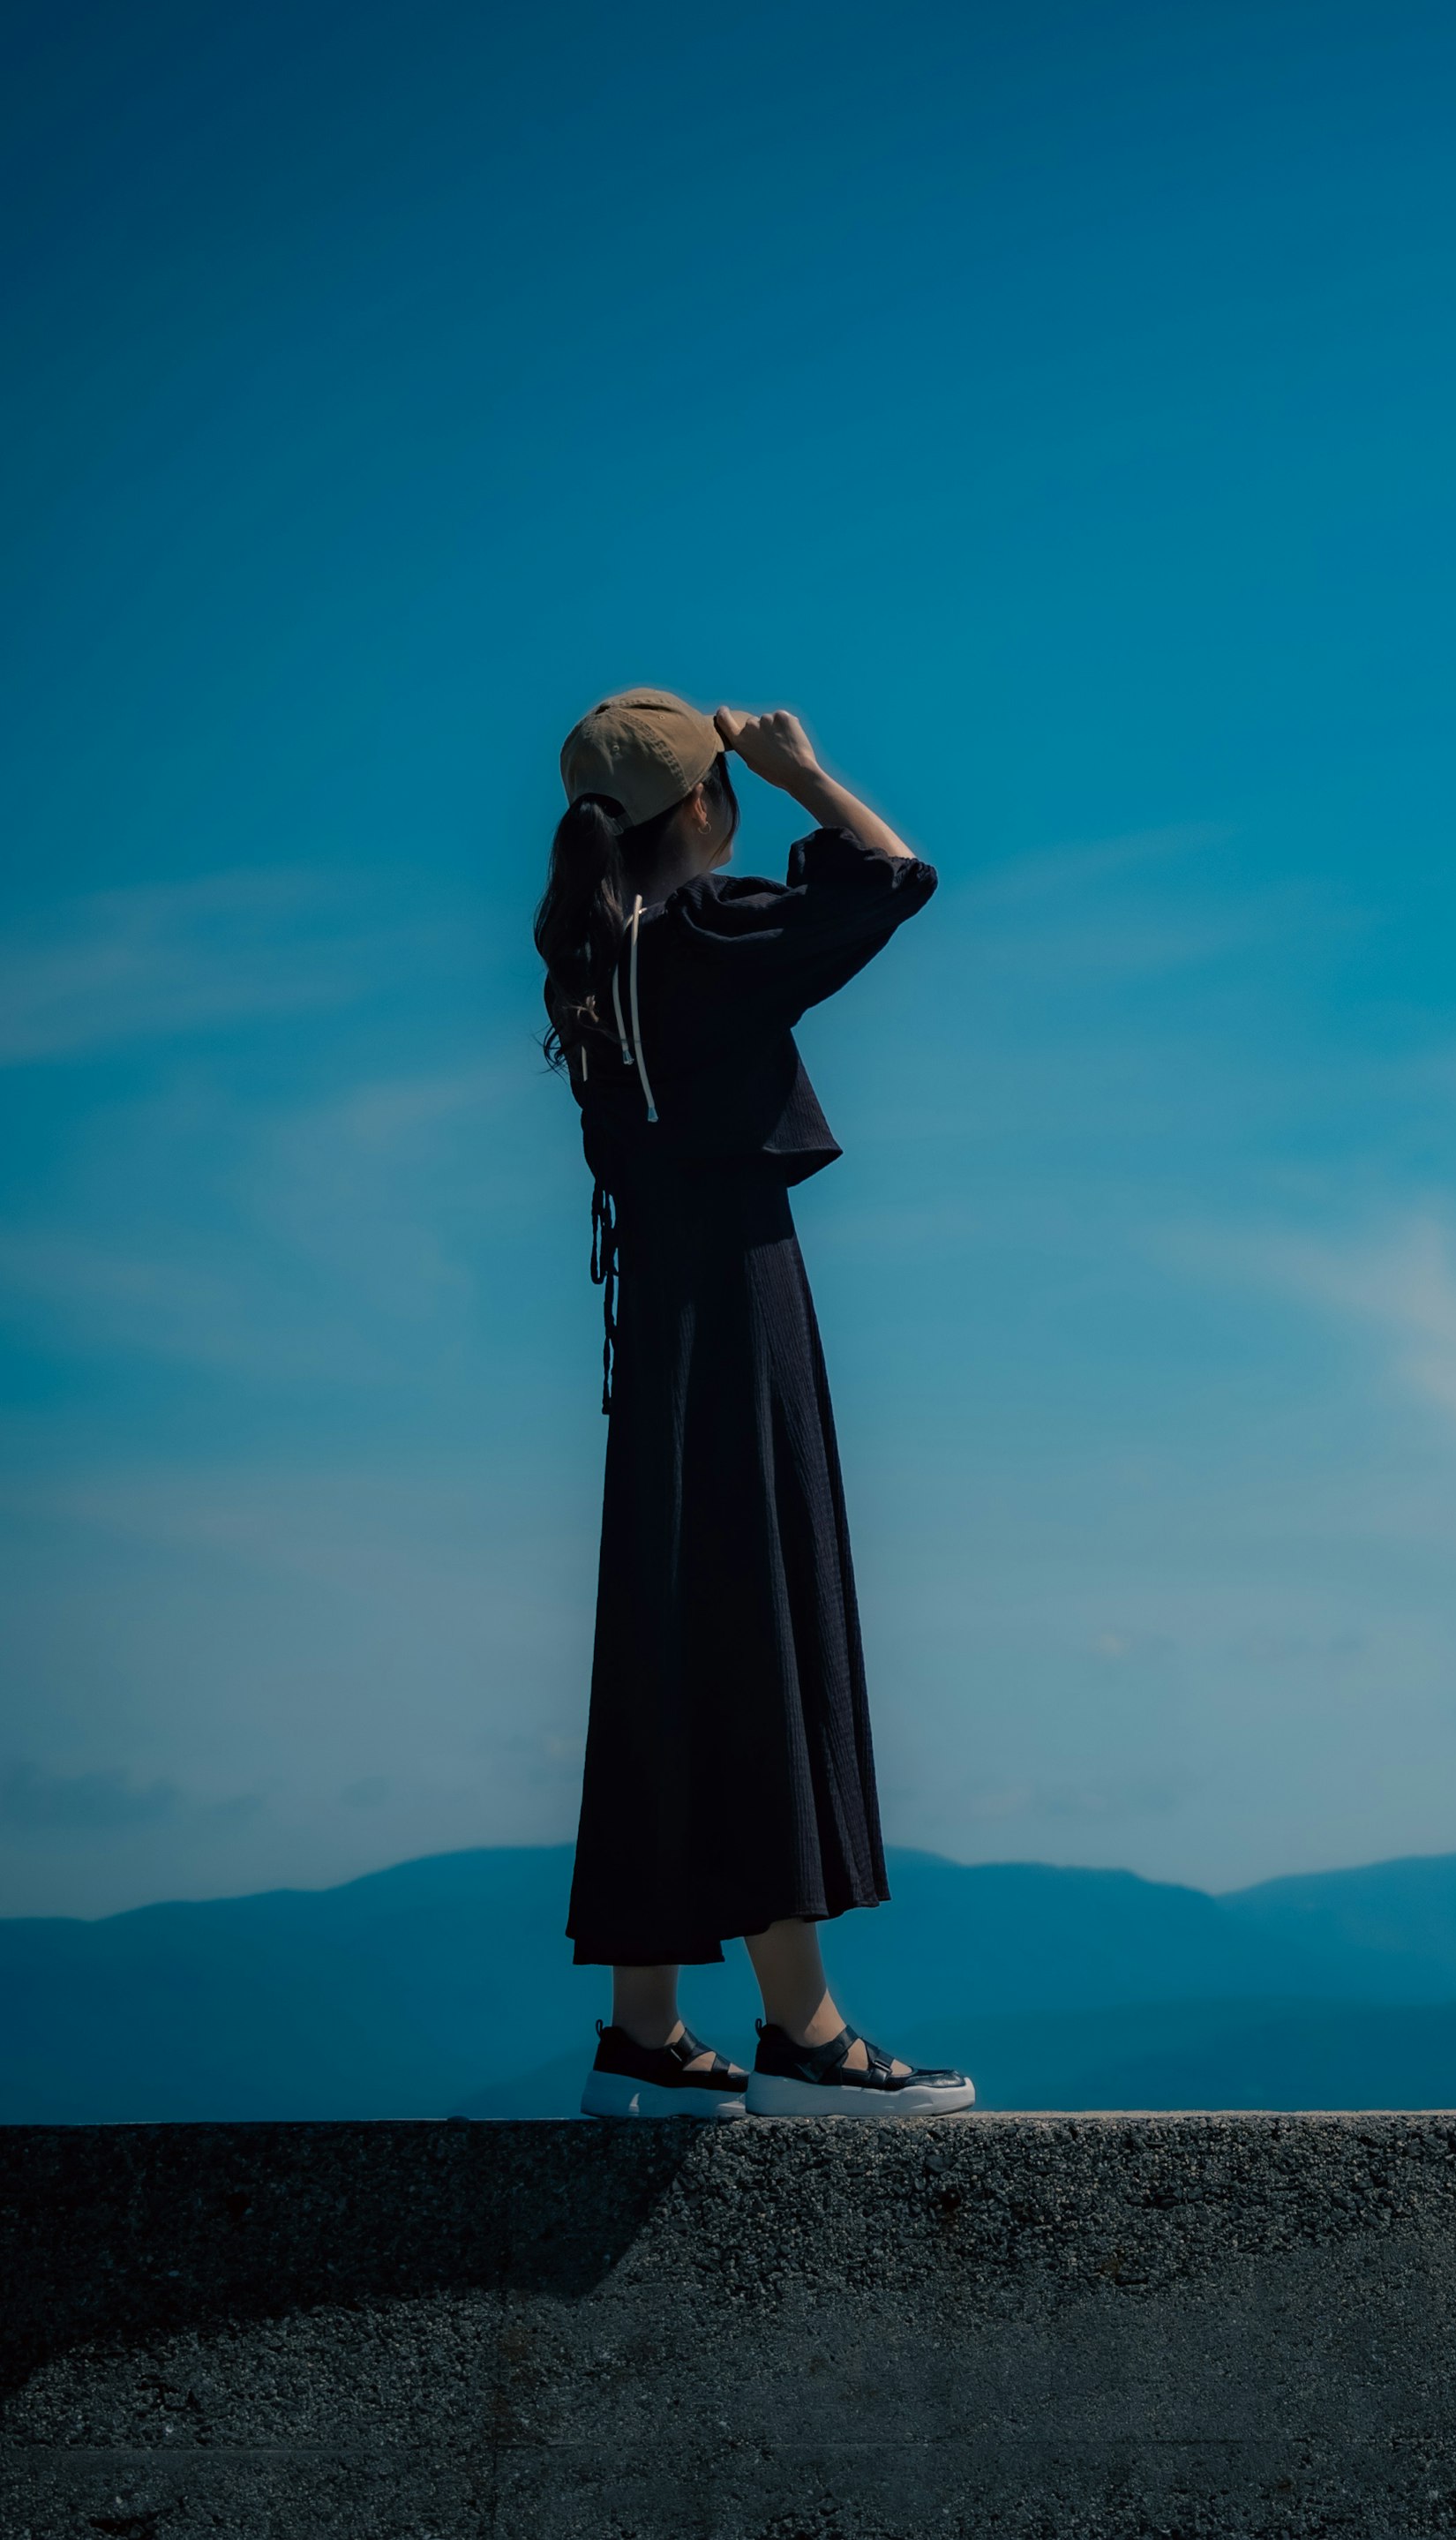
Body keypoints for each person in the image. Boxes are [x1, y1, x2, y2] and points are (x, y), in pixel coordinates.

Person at [532, 688, 973, 2119]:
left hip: (660, 1327)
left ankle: (645, 2034)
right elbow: (897, 879)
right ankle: (807, 2035)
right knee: (761, 1625)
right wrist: (807, 770)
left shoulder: (597, 958)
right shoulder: (707, 936)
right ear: (706, 808)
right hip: (741, 1308)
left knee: (671, 1639)